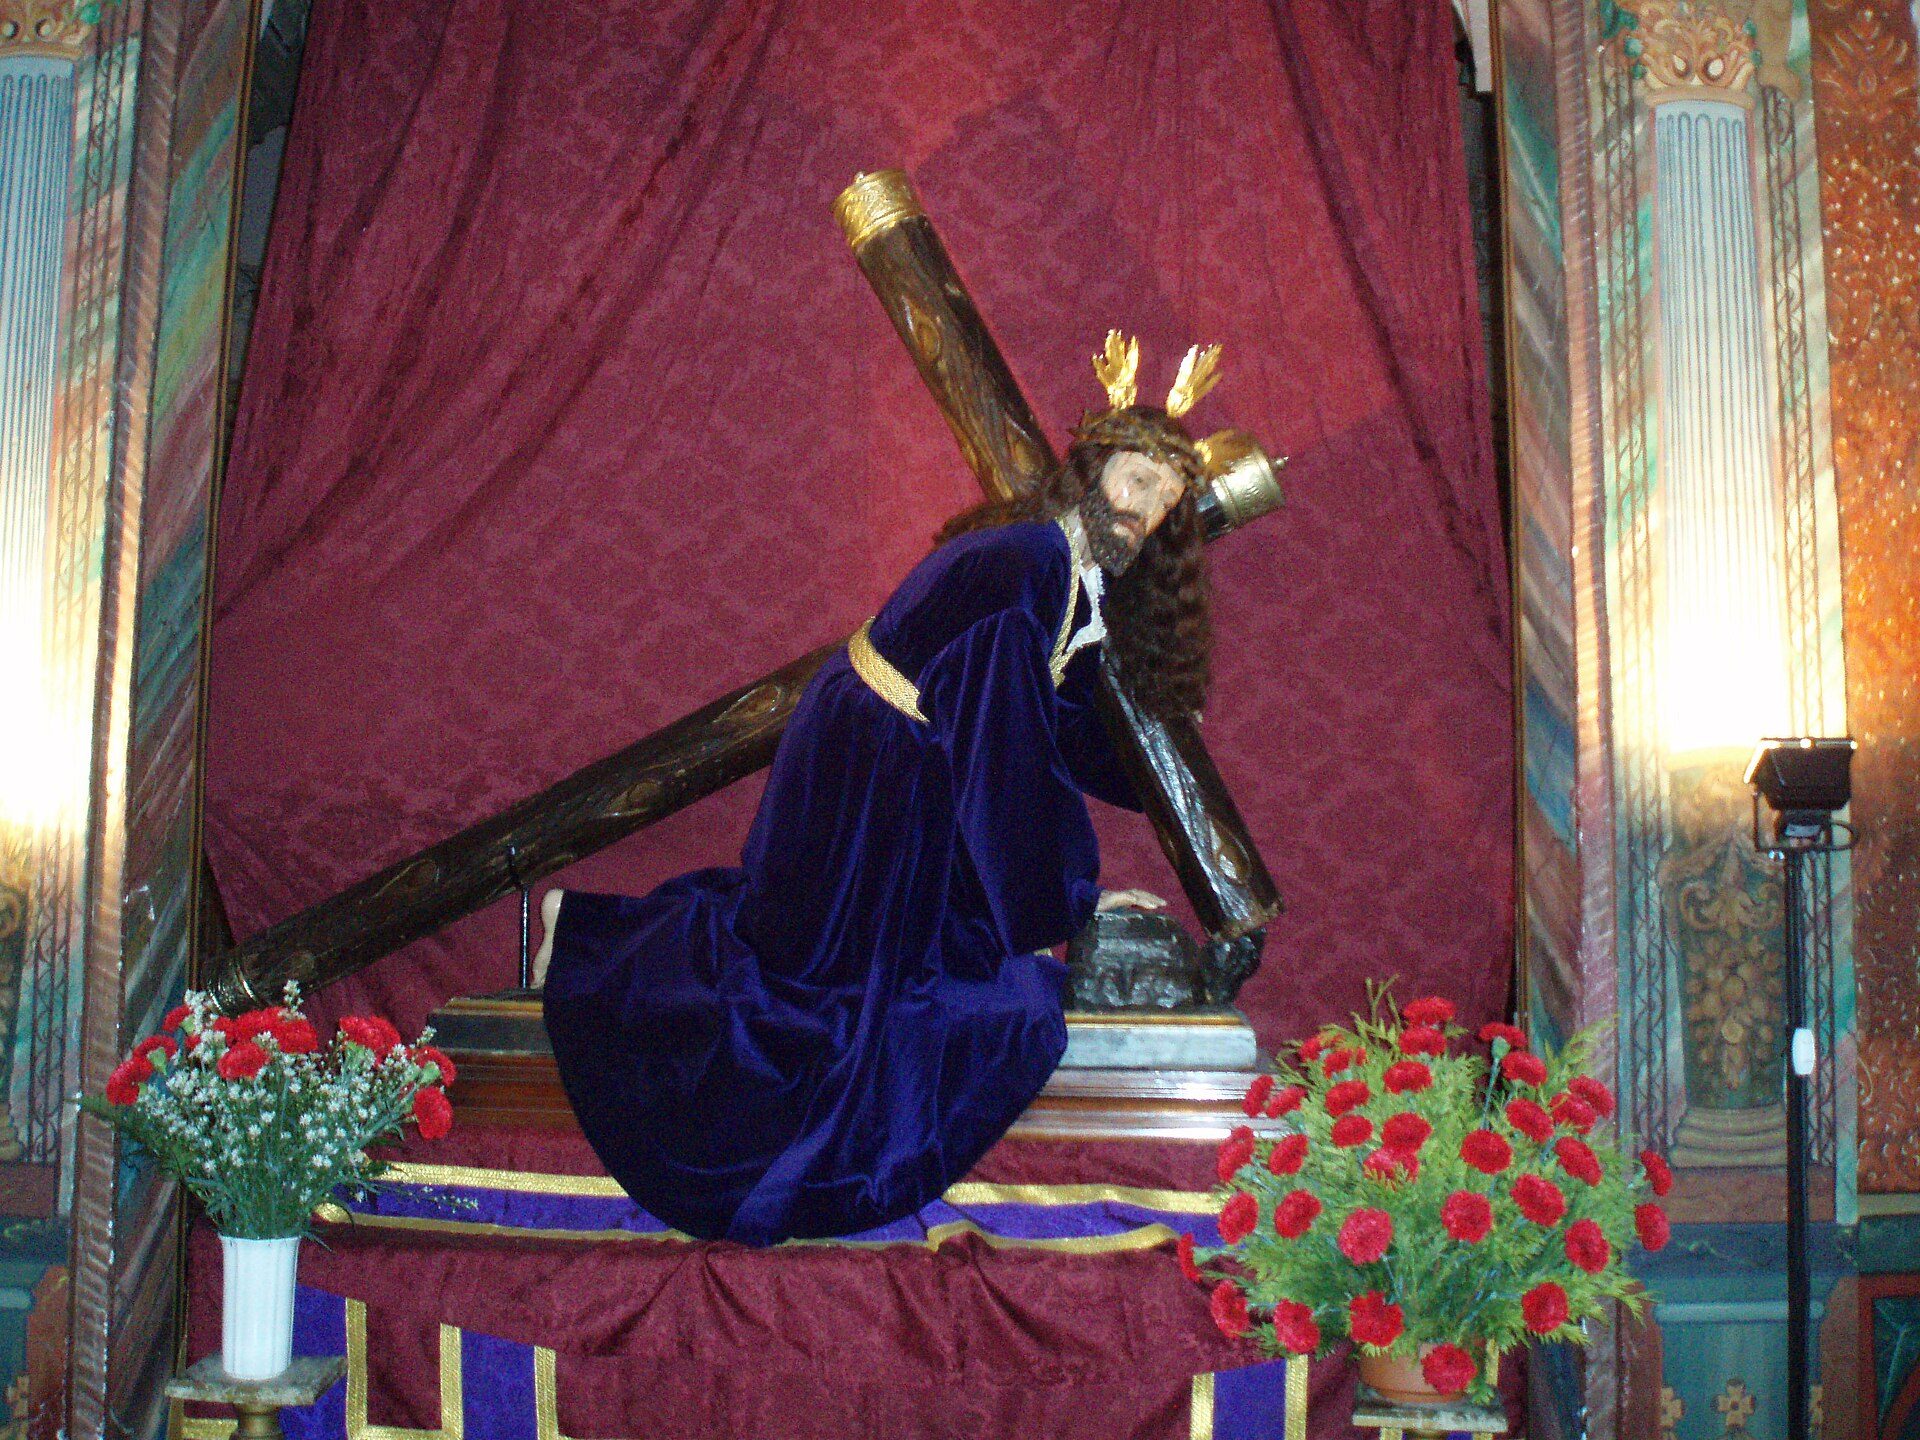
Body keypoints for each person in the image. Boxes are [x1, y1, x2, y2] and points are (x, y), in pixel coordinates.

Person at [538, 334, 1220, 1244]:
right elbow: (1005, 750)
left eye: (1166, 500)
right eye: (1138, 481)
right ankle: (588, 939)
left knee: (854, 970)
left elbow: (1050, 719)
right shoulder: (1022, 567)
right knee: (810, 982)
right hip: (864, 768)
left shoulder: (1071, 580)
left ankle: (594, 932)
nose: (1145, 510)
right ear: (1093, 472)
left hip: (903, 765)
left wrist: (1149, 780)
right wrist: (1076, 903)